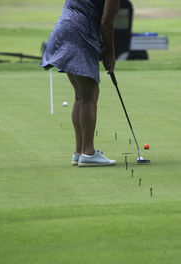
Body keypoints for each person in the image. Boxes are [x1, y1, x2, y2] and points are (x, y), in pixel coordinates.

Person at [39, 0, 121, 167]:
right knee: (88, 96)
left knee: (81, 95)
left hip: (65, 30)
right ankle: (88, 153)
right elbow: (106, 22)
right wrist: (110, 55)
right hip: (79, 34)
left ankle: (79, 152)